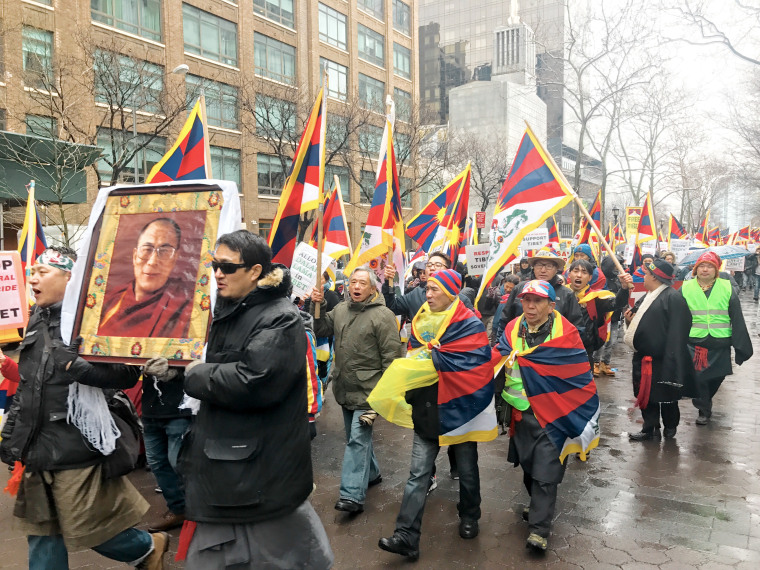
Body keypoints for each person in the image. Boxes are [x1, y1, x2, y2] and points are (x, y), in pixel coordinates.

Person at [0, 247, 168, 570]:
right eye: (32, 271)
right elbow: (28, 382)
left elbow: (129, 372)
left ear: (69, 277)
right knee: (42, 533)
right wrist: (12, 437)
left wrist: (79, 367)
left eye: (42, 272)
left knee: (92, 529)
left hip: (75, 445)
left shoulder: (97, 318)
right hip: (36, 447)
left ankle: (147, 547)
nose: (32, 278)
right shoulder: (37, 316)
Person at [177, 231, 333, 569]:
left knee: (280, 555)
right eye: (214, 265)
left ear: (254, 271)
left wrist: (194, 375)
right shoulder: (229, 308)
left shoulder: (279, 316)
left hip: (257, 469)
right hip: (229, 461)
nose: (217, 273)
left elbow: (254, 380)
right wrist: (173, 367)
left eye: (228, 267)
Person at [375, 269, 496, 560]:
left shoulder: (469, 324)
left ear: (453, 292)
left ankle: (469, 515)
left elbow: (478, 364)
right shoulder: (420, 322)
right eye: (427, 289)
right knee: (418, 475)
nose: (428, 295)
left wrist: (439, 358)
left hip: (461, 408)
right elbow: (415, 356)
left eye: (435, 290)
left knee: (466, 469)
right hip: (428, 409)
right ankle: (406, 536)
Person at [494, 280, 599, 552]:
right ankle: (537, 507)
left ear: (551, 305)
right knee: (529, 465)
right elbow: (498, 355)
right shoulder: (512, 327)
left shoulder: (567, 334)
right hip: (520, 411)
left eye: (537, 301)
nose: (530, 305)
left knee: (546, 470)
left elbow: (576, 372)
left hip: (554, 413)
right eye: (526, 299)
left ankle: (539, 530)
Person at [310, 266, 403, 513]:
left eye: (362, 283)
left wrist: (382, 401)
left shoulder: (383, 316)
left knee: (357, 442)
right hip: (344, 386)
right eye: (353, 282)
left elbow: (392, 360)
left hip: (369, 392)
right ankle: (372, 474)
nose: (356, 287)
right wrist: (316, 306)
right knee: (356, 439)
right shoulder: (340, 309)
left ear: (373, 288)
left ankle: (352, 496)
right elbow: (321, 329)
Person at [383, 251, 474, 483]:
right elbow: (392, 304)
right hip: (422, 371)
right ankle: (428, 475)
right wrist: (390, 282)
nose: (432, 268)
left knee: (451, 421)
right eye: (429, 265)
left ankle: (456, 463)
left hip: (450, 371)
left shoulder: (460, 300)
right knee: (426, 422)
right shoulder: (416, 294)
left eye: (438, 265)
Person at [624, 259, 694, 441]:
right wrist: (630, 321)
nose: (644, 277)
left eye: (646, 274)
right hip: (644, 357)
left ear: (654, 277)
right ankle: (650, 429)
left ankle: (670, 429)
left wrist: (672, 358)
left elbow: (679, 330)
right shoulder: (648, 296)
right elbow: (638, 321)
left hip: (664, 359)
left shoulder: (673, 298)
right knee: (647, 396)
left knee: (667, 397)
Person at [681, 252, 753, 425]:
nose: (705, 270)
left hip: (720, 342)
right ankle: (703, 409)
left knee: (717, 376)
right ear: (696, 269)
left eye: (710, 266)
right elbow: (674, 314)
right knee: (699, 378)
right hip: (696, 344)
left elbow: (736, 317)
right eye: (702, 266)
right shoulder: (685, 287)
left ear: (716, 270)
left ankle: (706, 399)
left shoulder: (727, 287)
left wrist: (741, 346)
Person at [99, 217, 193, 338]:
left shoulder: (187, 306)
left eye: (164, 251)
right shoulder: (108, 302)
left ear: (175, 258)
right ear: (134, 256)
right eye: (147, 249)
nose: (153, 261)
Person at [495, 247, 591, 347]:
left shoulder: (566, 294)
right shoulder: (520, 289)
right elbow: (504, 322)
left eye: (549, 266)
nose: (543, 270)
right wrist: (500, 347)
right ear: (533, 267)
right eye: (539, 265)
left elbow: (577, 329)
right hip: (518, 351)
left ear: (556, 269)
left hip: (553, 353)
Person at [139, 356, 193, 533]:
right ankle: (178, 509)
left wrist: (177, 372)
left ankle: (199, 511)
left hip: (179, 409)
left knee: (179, 462)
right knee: (157, 463)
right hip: (150, 410)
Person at [565, 258, 632, 370]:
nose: (579, 275)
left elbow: (616, 303)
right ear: (569, 273)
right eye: (576, 271)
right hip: (561, 351)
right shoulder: (561, 294)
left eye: (584, 272)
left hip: (585, 352)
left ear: (590, 277)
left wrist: (624, 288)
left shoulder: (596, 298)